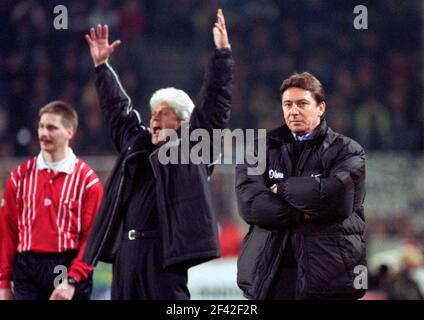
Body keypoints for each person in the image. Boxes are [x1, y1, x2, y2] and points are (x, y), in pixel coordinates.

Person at [82, 9, 233, 299]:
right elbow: (118, 112)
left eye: (162, 114)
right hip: (126, 256)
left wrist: (223, 55)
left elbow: (215, 106)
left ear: (183, 123)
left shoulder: (191, 151)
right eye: (152, 113)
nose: (153, 119)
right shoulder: (137, 145)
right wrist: (102, 68)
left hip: (163, 257)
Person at [236, 72, 367, 300]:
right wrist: (307, 211)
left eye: (302, 104)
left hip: (328, 279)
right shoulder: (258, 149)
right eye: (287, 104)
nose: (293, 111)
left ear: (320, 107)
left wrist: (284, 188)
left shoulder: (348, 151)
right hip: (269, 277)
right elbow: (251, 205)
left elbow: (337, 201)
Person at [0, 101, 104, 300]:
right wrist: (4, 282)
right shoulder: (18, 177)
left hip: (66, 264)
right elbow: (7, 232)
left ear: (69, 132)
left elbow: (92, 238)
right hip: (26, 267)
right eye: (41, 126)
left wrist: (73, 279)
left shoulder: (87, 181)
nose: (43, 133)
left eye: (51, 127)